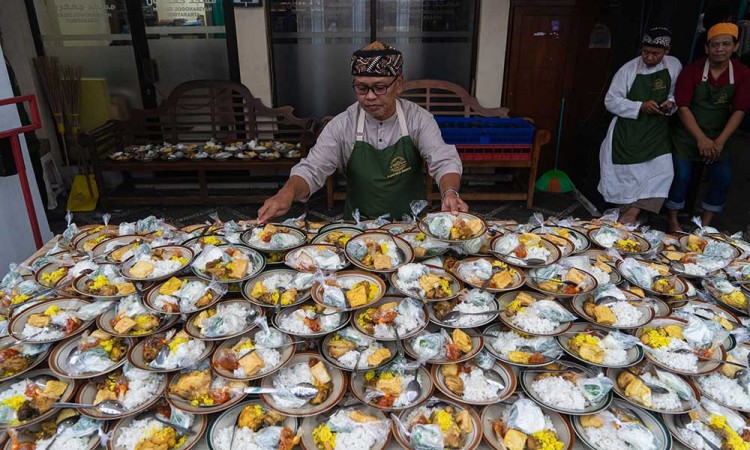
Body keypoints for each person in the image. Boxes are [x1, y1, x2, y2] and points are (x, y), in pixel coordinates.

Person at [257, 41, 467, 223]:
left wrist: (449, 192)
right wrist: (287, 192)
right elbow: (312, 169)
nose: (370, 97)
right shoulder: (342, 125)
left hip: (411, 228)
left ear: (399, 84)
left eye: (379, 87)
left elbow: (444, 160)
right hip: (359, 229)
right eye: (361, 88)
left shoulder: (419, 119)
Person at [666, 23, 750, 232]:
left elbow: (739, 110)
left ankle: (705, 225)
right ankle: (673, 219)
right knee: (681, 175)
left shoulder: (742, 74)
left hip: (719, 135)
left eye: (726, 44)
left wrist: (719, 141)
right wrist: (701, 139)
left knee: (722, 176)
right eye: (715, 45)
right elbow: (683, 107)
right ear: (707, 48)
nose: (720, 49)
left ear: (735, 46)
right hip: (687, 135)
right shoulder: (692, 72)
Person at [597, 27, 682, 225]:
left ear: (666, 51)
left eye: (655, 53)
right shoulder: (628, 69)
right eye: (645, 52)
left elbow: (677, 92)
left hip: (656, 132)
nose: (649, 57)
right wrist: (639, 106)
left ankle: (632, 214)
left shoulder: (674, 65)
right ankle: (626, 214)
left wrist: (671, 102)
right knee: (627, 176)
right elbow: (610, 101)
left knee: (663, 173)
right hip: (627, 131)